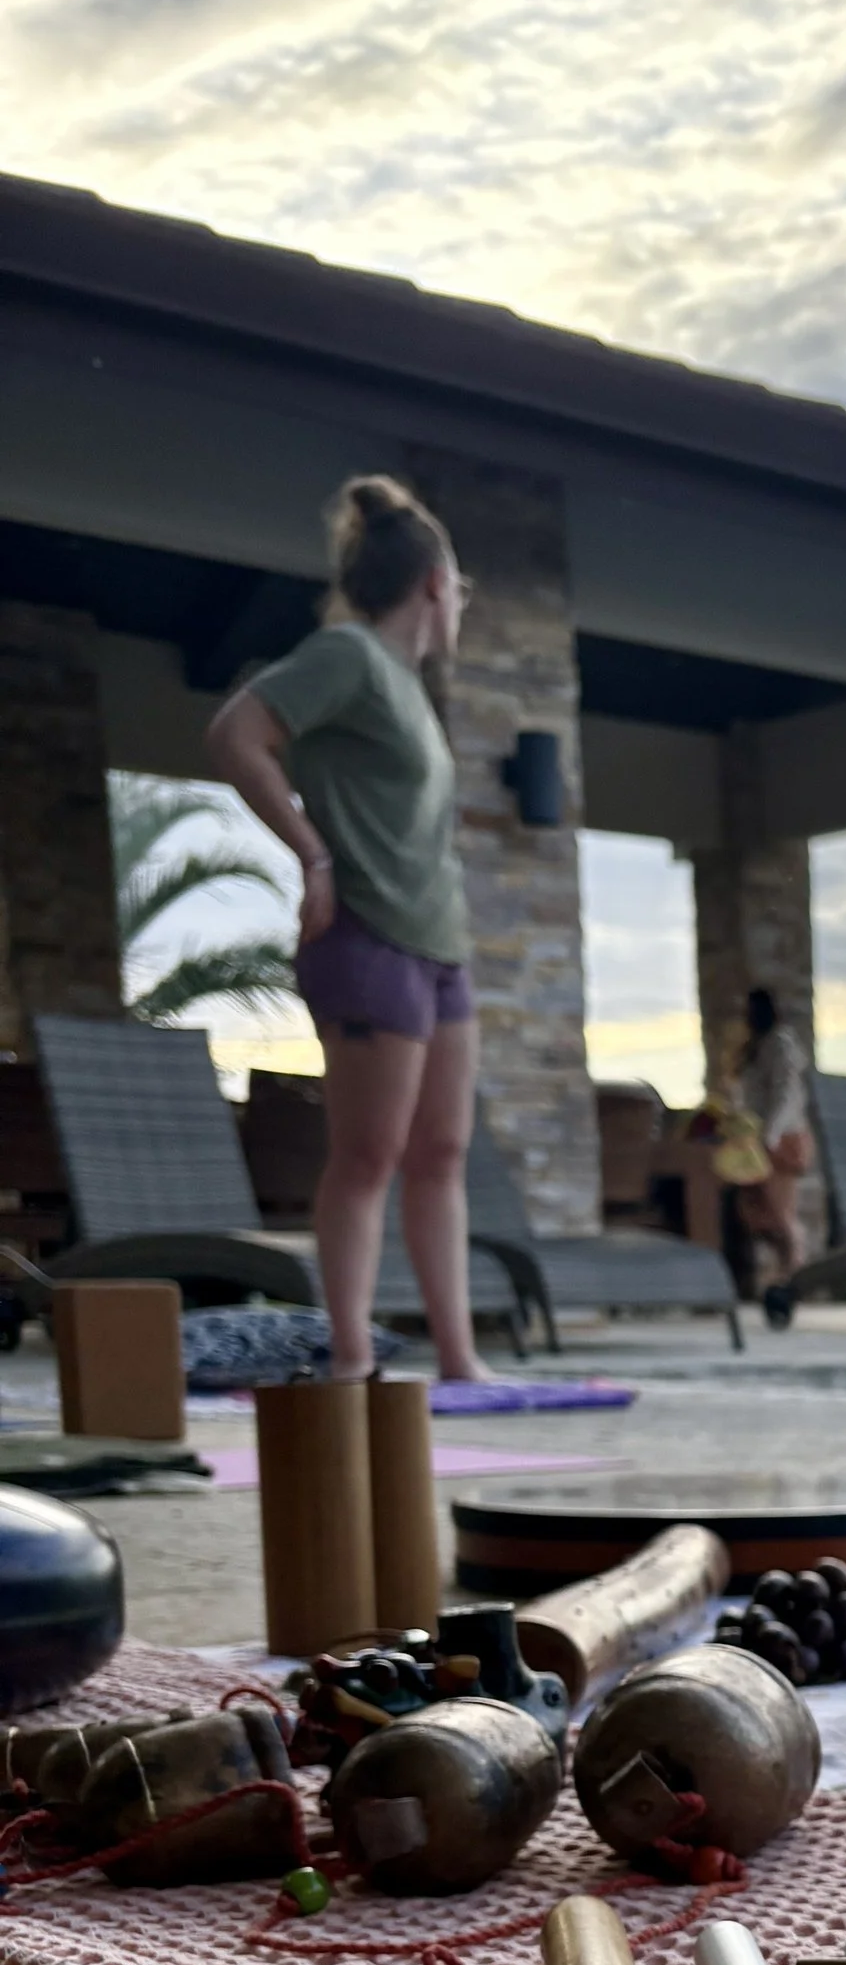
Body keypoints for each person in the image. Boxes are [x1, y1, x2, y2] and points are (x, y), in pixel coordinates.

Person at [206, 474, 484, 1385]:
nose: (463, 603)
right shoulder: (350, 657)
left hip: (441, 949)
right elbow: (236, 733)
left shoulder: (406, 688)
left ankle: (459, 1360)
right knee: (369, 1155)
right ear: (436, 584)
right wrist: (312, 855)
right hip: (367, 936)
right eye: (462, 589)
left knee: (442, 1153)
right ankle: (352, 1360)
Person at [719, 986, 812, 1291]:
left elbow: (785, 1095)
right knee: (753, 1210)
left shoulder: (781, 1044)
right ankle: (776, 1273)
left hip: (780, 1139)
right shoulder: (756, 1047)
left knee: (780, 1211)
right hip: (753, 1139)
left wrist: (770, 1135)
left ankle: (794, 1276)